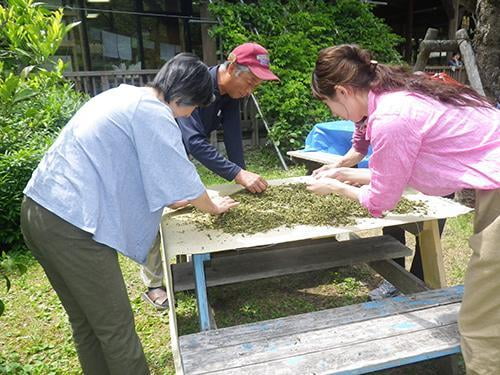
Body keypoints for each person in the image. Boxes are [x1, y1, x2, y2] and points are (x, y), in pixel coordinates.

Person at [20, 53, 239, 375]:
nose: (190, 115)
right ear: (181, 97)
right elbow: (184, 178)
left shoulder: (123, 96)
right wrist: (211, 205)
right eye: (193, 108)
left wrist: (177, 197)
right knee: (116, 328)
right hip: (71, 225)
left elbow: (132, 166)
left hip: (41, 211)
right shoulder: (153, 113)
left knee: (86, 323)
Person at [306, 44, 500, 374]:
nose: (333, 114)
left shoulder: (392, 118)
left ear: (341, 91)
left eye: (329, 104)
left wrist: (336, 187)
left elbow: (381, 201)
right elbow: (371, 138)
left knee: (480, 320)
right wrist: (347, 163)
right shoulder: (390, 86)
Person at [140, 42, 280, 309]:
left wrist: (242, 175)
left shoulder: (231, 95)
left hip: (178, 148)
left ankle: (210, 262)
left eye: (256, 85)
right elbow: (193, 141)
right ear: (231, 67)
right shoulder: (195, 84)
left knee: (188, 201)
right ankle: (155, 284)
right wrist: (237, 174)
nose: (250, 89)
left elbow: (232, 133)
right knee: (153, 209)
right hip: (158, 147)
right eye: (249, 81)